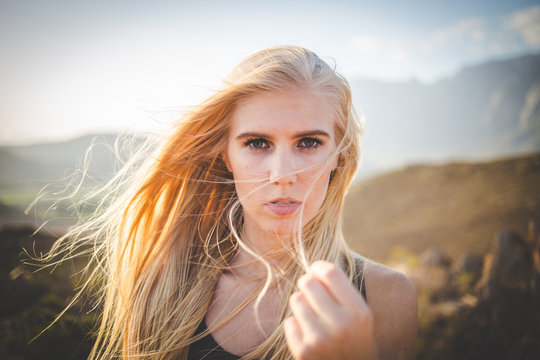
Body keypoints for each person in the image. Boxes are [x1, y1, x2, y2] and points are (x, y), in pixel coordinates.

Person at [48, 45, 417, 360]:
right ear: (226, 155)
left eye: (309, 143)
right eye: (257, 143)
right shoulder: (164, 280)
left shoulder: (387, 295)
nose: (282, 174)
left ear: (339, 152)